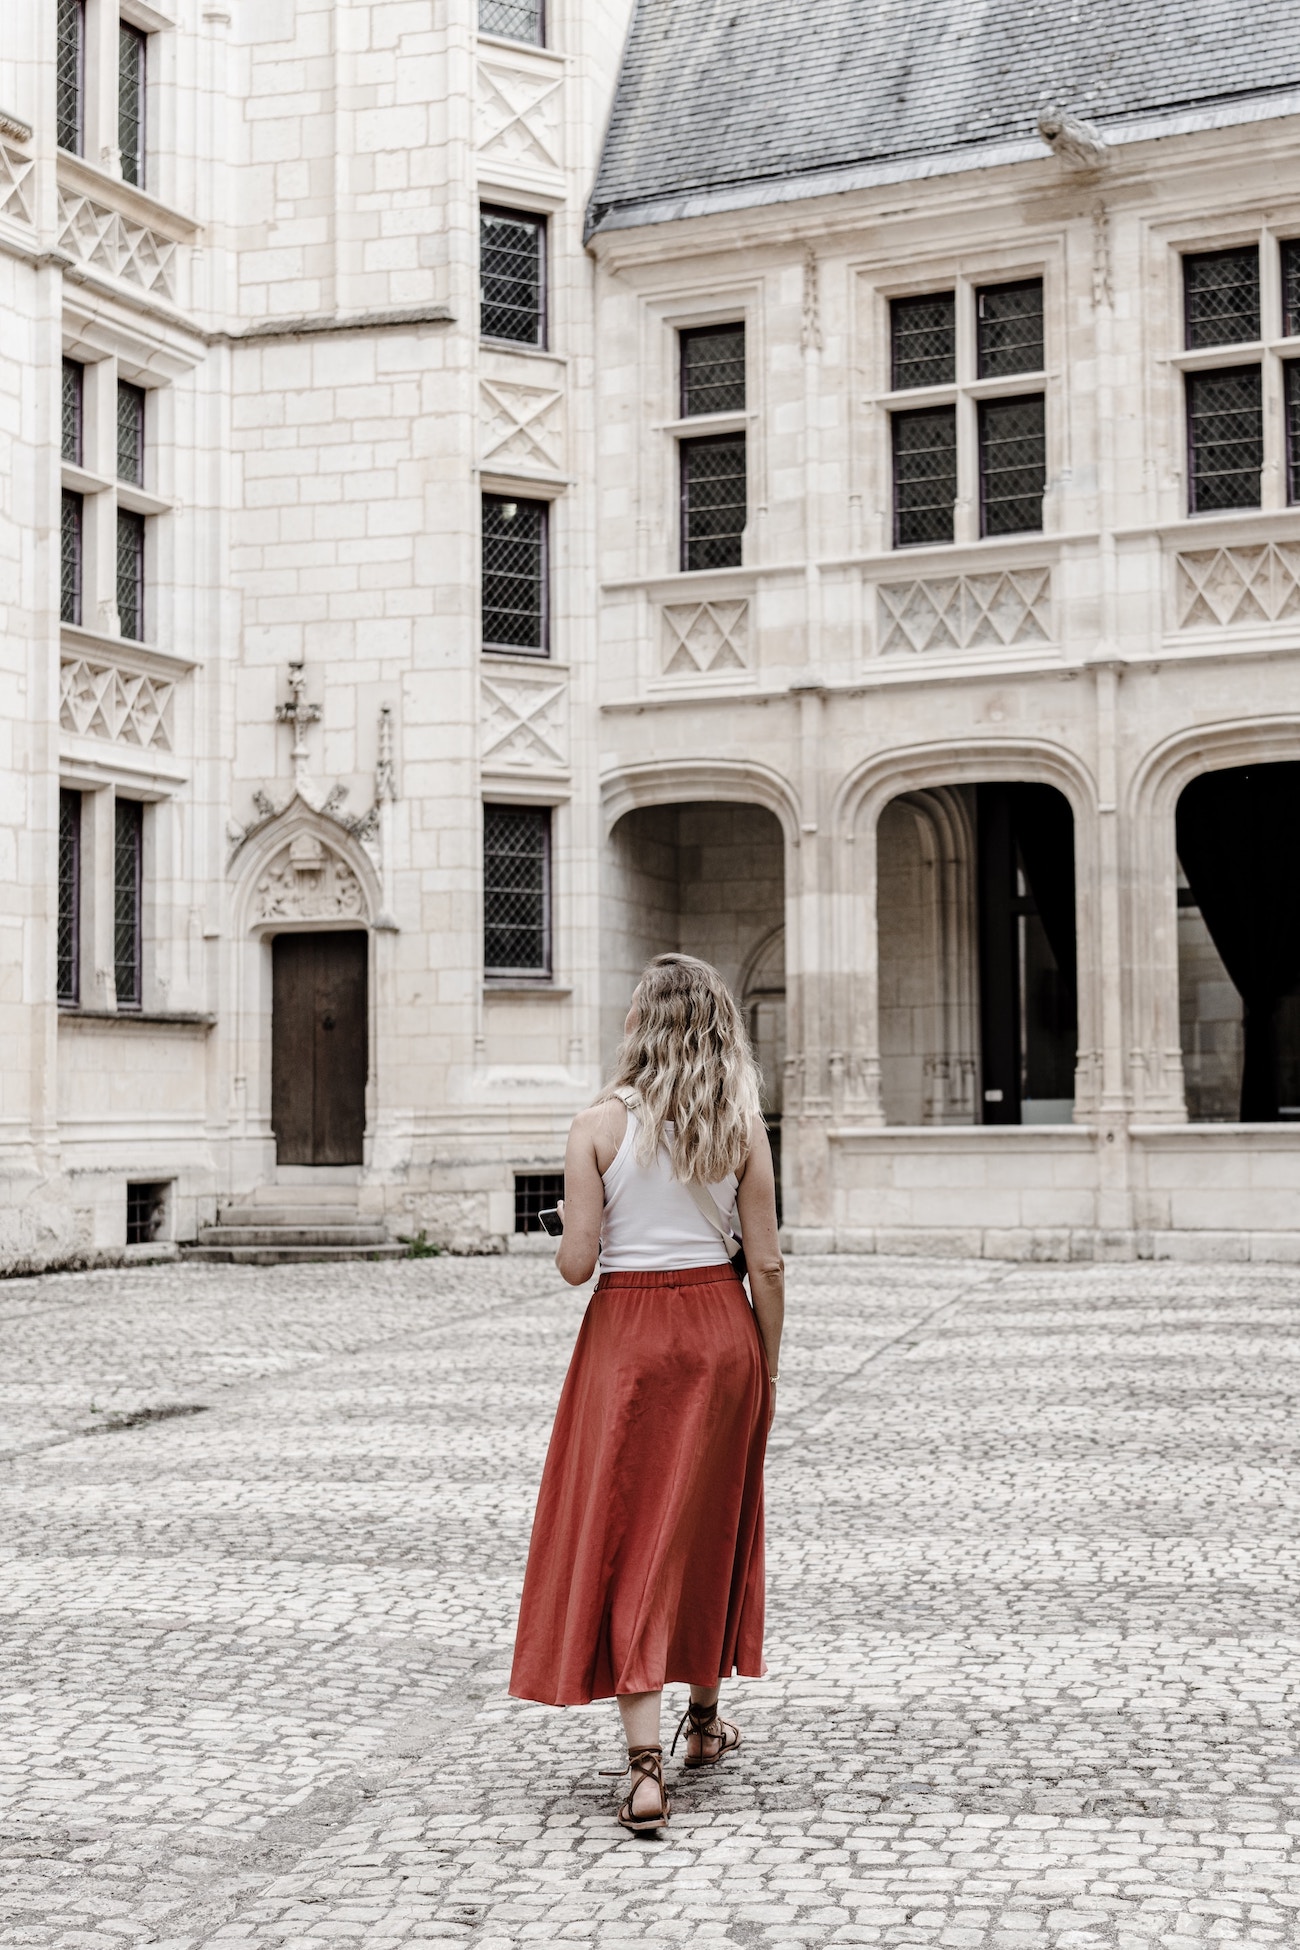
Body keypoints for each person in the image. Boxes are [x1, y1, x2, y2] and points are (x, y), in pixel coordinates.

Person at [509, 953, 785, 1834]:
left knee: (631, 1531)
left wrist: (562, 1226)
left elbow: (578, 1265)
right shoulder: (739, 1123)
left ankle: (642, 1769)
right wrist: (766, 1366)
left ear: (640, 1026)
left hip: (629, 1341)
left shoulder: (596, 1126)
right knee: (711, 1518)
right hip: (720, 1332)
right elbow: (770, 1263)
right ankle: (703, 1723)